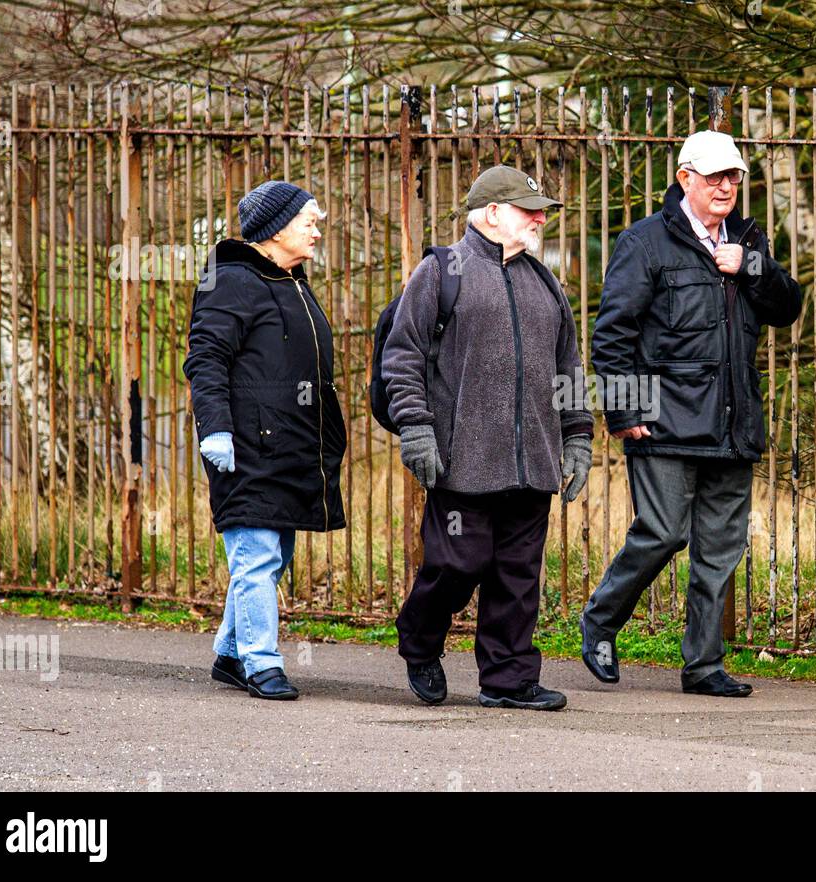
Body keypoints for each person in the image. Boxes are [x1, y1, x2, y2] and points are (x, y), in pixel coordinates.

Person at [581, 130, 803, 697]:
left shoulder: (749, 239)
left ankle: (703, 666)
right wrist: (625, 408)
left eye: (734, 177)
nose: (727, 186)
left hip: (732, 425)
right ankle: (601, 622)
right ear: (685, 179)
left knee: (721, 549)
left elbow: (787, 307)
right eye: (715, 177)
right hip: (664, 422)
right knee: (661, 533)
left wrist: (752, 266)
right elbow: (613, 334)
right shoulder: (646, 243)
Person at [383, 165, 594, 711]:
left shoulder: (545, 281)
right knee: (458, 563)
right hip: (463, 460)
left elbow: (567, 365)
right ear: (493, 213)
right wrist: (416, 429)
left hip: (533, 463)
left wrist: (577, 438)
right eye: (530, 210)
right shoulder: (441, 270)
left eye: (542, 210)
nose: (540, 219)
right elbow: (402, 356)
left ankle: (509, 679)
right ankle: (420, 641)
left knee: (518, 576)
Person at [183, 180, 346, 701]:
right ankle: (262, 662)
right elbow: (205, 359)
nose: (317, 230)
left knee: (272, 557)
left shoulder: (292, 280)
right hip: (247, 445)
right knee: (254, 555)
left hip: (292, 446)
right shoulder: (229, 281)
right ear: (277, 229)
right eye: (308, 221)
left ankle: (232, 654)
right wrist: (216, 429)